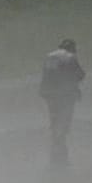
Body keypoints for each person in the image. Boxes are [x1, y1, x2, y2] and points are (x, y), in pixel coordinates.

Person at [38, 38, 86, 167]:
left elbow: (46, 75)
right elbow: (79, 75)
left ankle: (54, 153)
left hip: (48, 94)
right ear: (72, 49)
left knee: (54, 120)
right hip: (64, 95)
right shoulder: (70, 57)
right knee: (64, 122)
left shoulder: (49, 56)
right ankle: (61, 154)